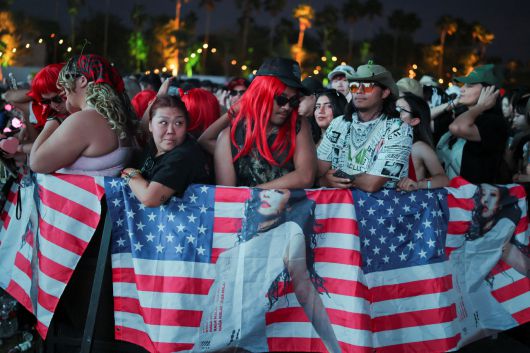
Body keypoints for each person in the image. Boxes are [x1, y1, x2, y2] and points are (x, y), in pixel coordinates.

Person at [199, 189, 341, 353]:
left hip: (244, 344)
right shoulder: (239, 243)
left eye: (279, 192)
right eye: (264, 191)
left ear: (289, 207)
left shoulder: (289, 230)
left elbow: (305, 291)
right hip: (208, 341)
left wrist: (335, 348)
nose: (266, 194)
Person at [215, 57, 316, 189]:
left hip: (289, 208)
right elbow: (228, 198)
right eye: (281, 99)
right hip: (244, 209)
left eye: (293, 101)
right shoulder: (228, 138)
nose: (287, 107)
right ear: (262, 94)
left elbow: (305, 177)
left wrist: (255, 192)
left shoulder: (298, 124)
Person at [29, 54, 136, 176]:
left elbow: (36, 163)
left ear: (83, 80)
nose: (64, 91)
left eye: (65, 83)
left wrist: (53, 121)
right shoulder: (118, 117)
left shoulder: (82, 120)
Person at [317, 62, 413, 192]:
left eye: (368, 86)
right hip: (340, 208)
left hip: (381, 209)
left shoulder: (399, 129)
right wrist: (324, 180)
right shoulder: (338, 123)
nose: (359, 91)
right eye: (355, 86)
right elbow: (317, 172)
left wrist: (332, 178)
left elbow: (372, 184)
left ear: (385, 93)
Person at [121, 95, 210, 207]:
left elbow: (150, 199)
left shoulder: (184, 156)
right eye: (163, 122)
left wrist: (129, 172)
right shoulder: (153, 145)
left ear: (186, 125)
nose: (170, 131)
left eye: (178, 123)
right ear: (150, 125)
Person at [436, 64, 509, 184]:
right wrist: (454, 103)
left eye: (469, 86)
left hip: (474, 199)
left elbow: (457, 128)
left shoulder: (494, 122)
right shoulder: (460, 116)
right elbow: (423, 120)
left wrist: (482, 105)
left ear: (488, 91)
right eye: (463, 85)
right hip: (450, 196)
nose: (462, 89)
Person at [395, 93, 449, 191]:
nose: (393, 112)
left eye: (401, 110)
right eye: (393, 108)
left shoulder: (418, 147)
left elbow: (444, 179)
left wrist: (418, 184)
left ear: (414, 121)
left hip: (408, 204)